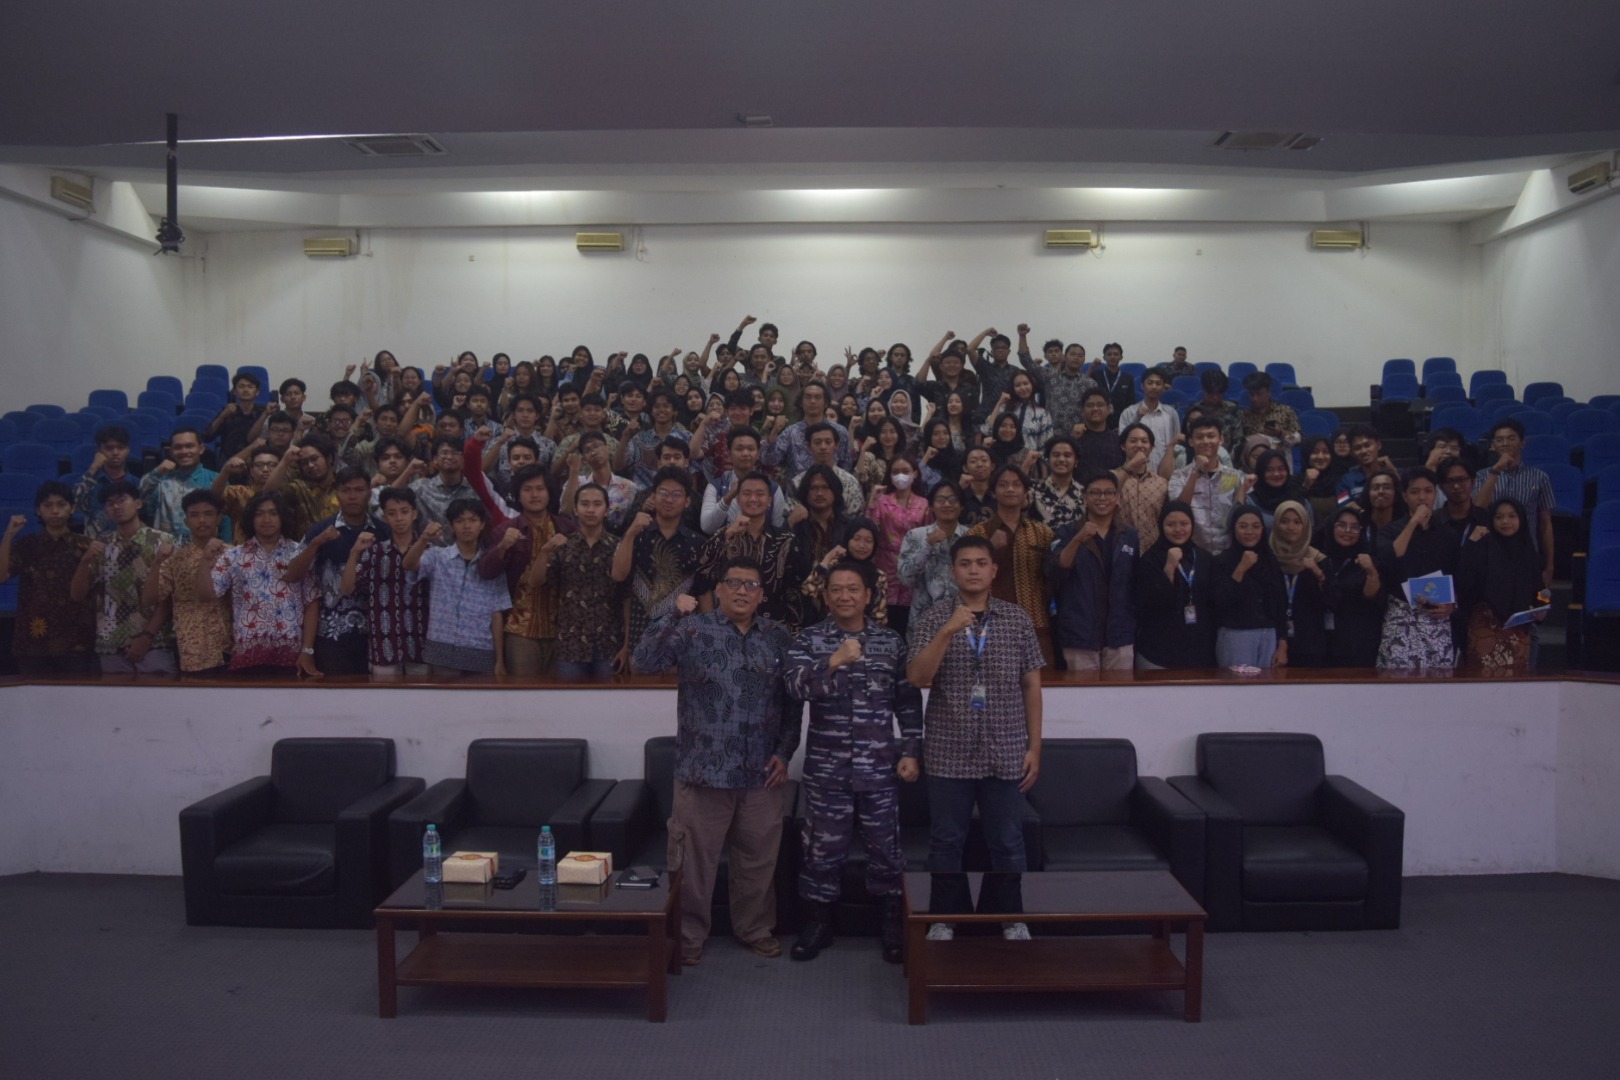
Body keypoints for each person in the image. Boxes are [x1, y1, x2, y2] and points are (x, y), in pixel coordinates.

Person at [631, 557, 797, 966]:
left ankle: (754, 928)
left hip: (761, 773)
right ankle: (687, 937)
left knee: (758, 861)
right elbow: (643, 662)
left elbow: (793, 700)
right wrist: (670, 612)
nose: (742, 591)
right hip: (702, 772)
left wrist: (785, 751)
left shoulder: (778, 636)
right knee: (692, 864)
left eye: (751, 585)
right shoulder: (692, 629)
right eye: (734, 583)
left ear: (761, 594)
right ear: (718, 590)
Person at [783, 561, 923, 964]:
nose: (844, 596)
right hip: (828, 772)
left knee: (886, 851)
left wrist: (911, 751)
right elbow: (792, 688)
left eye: (852, 589)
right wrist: (833, 661)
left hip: (879, 770)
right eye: (836, 590)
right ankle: (817, 925)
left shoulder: (890, 642)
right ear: (825, 596)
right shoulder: (810, 640)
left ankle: (891, 925)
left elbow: (907, 703)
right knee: (821, 852)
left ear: (867, 595)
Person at [906, 535, 1044, 941]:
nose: (973, 570)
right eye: (964, 563)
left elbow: (1032, 686)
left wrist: (1035, 747)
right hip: (949, 750)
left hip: (1006, 749)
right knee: (946, 840)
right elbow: (918, 678)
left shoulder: (1016, 619)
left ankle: (1009, 917)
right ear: (953, 571)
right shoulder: (933, 618)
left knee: (1007, 840)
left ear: (993, 570)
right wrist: (948, 631)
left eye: (981, 563)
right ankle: (945, 919)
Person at [70, 482, 178, 674]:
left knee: (160, 701)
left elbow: (168, 598)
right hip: (111, 642)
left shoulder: (163, 542)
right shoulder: (100, 545)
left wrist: (147, 636)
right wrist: (85, 561)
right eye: (110, 503)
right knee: (115, 703)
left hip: (155, 642)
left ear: (138, 503)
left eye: (122, 500)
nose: (116, 507)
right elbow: (77, 595)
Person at [282, 466, 380, 677]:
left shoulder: (382, 530)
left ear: (369, 492)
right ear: (337, 493)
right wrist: (316, 543)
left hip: (376, 635)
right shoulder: (320, 530)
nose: (352, 496)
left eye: (359, 490)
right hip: (331, 636)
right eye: (346, 490)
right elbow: (292, 575)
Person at [205, 492, 312, 672]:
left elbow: (312, 602)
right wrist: (204, 562)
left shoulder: (300, 553)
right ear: (250, 519)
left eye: (273, 513)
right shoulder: (234, 555)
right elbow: (209, 594)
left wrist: (308, 650)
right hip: (248, 652)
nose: (266, 519)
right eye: (259, 514)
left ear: (283, 517)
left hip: (292, 651)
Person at [404, 499, 512, 675]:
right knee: (442, 702)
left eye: (473, 520)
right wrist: (424, 539)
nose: (467, 526)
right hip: (441, 650)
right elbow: (408, 564)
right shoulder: (438, 556)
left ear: (482, 524)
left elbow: (497, 613)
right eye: (460, 521)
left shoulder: (491, 563)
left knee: (480, 703)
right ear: (451, 526)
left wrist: (500, 660)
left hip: (480, 651)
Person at [0, 481, 96, 675]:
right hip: (33, 642)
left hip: (77, 640)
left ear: (72, 508)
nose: (54, 511)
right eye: (48, 505)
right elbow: (2, 577)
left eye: (61, 504)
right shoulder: (26, 545)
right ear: (38, 510)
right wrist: (8, 536)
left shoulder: (87, 546)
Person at [1048, 471, 1139, 671]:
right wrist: (1078, 539)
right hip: (1080, 634)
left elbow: (1135, 582)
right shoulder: (1067, 532)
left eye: (1109, 493)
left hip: (1119, 633)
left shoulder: (1129, 535)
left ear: (1117, 498)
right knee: (1083, 699)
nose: (1102, 498)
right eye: (1095, 493)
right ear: (1085, 497)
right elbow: (1055, 572)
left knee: (1120, 699)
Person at [612, 467, 705, 662]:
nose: (669, 499)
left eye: (676, 494)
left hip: (684, 642)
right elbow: (619, 576)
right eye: (663, 493)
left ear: (687, 501)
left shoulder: (698, 543)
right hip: (640, 640)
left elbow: (704, 596)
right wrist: (630, 533)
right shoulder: (637, 536)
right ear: (653, 496)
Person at [968, 465, 1056, 666]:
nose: (1010, 489)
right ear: (993, 491)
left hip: (1035, 623)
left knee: (1044, 687)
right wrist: (989, 548)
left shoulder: (1042, 533)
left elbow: (1054, 574)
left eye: (1017, 485)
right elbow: (965, 574)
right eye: (1003, 485)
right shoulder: (978, 533)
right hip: (989, 624)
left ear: (1026, 492)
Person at [536, 483, 623, 679]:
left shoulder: (618, 546)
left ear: (607, 510)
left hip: (608, 642)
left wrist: (626, 646)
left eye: (597, 504)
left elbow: (626, 596)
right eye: (585, 504)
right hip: (570, 643)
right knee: (568, 707)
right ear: (575, 509)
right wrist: (545, 551)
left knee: (610, 706)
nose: (591, 509)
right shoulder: (563, 545)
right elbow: (536, 582)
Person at [141, 490, 233, 675]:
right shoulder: (175, 558)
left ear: (219, 518)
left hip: (232, 645)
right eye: (195, 515)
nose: (202, 520)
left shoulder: (234, 554)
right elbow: (149, 600)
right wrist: (157, 563)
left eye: (208, 514)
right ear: (186, 521)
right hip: (193, 648)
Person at [1375, 468, 1458, 671]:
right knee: (1396, 684)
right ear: (1404, 495)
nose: (1422, 497)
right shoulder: (1391, 531)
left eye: (1428, 491)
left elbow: (1457, 576)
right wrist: (1413, 522)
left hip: (1436, 617)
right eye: (1415, 492)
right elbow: (1389, 560)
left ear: (1436, 493)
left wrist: (1452, 605)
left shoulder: (1448, 534)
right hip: (1401, 616)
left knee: (1439, 684)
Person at [342, 487, 430, 676]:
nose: (399, 518)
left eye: (404, 512)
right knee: (383, 704)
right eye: (392, 513)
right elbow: (347, 589)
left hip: (421, 643)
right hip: (384, 644)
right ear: (384, 517)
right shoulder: (375, 552)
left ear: (414, 514)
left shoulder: (430, 550)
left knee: (424, 704)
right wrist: (354, 552)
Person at [696, 473, 803, 628]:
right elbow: (702, 577)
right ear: (738, 500)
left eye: (760, 494)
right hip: (726, 626)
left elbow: (794, 590)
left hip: (772, 626)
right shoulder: (723, 536)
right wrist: (710, 625)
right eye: (747, 494)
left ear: (769, 501)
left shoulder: (786, 540)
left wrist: (792, 630)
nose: (753, 499)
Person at [1457, 498, 1546, 672]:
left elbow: (1540, 589)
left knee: (1516, 685)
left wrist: (1542, 606)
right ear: (1492, 520)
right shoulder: (1481, 547)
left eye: (1512, 516)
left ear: (1521, 519)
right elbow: (1463, 582)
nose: (1505, 522)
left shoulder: (1528, 551)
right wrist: (1471, 545)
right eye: (1499, 517)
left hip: (1518, 629)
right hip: (1484, 627)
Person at [1472, 418, 1556, 588]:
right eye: (1499, 440)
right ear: (1493, 445)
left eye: (1511, 439)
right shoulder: (1482, 476)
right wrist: (1496, 471)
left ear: (1522, 442)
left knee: (1530, 608)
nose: (1505, 443)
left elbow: (1545, 524)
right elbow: (1477, 508)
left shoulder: (1539, 477)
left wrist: (1549, 566)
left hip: (1528, 553)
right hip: (1491, 554)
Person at [1134, 501, 1216, 670]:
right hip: (1158, 652)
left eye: (1184, 523)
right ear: (1161, 526)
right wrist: (1169, 566)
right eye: (1171, 524)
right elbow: (1152, 603)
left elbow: (1213, 602)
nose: (1178, 529)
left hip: (1199, 651)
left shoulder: (1204, 558)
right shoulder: (1150, 559)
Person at [1209, 506, 1289, 669]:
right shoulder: (1222, 561)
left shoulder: (1269, 560)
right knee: (1237, 692)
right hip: (1236, 635)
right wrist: (1241, 568)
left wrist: (1283, 643)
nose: (1249, 531)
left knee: (1267, 693)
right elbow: (1221, 601)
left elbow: (1280, 603)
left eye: (1255, 526)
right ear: (1234, 528)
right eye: (1243, 526)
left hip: (1269, 635)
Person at [866, 456, 932, 635]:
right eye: (895, 472)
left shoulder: (924, 504)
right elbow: (871, 529)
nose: (900, 476)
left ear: (915, 474)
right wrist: (871, 503)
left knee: (909, 621)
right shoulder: (882, 501)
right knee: (884, 617)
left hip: (913, 567)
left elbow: (928, 535)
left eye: (905, 471)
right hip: (885, 565)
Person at [1171, 416, 1252, 555]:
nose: (1206, 441)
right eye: (1200, 437)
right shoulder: (1179, 476)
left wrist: (1243, 490)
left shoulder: (1234, 476)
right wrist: (1196, 472)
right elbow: (1179, 512)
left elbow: (1238, 514)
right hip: (1193, 552)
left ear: (1221, 439)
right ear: (1191, 441)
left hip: (1228, 551)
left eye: (1211, 436)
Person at [1319, 505, 1385, 668]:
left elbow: (1372, 597)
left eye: (1354, 527)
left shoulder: (1367, 560)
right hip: (1323, 641)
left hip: (1357, 641)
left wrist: (1371, 572)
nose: (1348, 531)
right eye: (1341, 525)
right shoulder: (1319, 559)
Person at [898, 481, 970, 619]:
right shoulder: (915, 536)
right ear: (931, 506)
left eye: (953, 499)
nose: (947, 504)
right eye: (940, 500)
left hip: (964, 618)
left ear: (961, 506)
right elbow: (904, 579)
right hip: (924, 618)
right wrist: (927, 546)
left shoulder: (971, 536)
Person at [1270, 500, 1329, 667]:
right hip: (1271, 641)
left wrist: (1319, 574)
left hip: (1310, 644)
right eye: (1284, 521)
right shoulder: (1267, 559)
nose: (1291, 527)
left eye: (1297, 522)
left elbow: (1333, 599)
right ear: (1275, 524)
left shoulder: (1319, 559)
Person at [701, 427, 791, 534]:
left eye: (750, 449)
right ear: (729, 454)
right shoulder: (716, 486)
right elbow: (706, 527)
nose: (745, 453)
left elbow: (778, 529)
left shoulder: (773, 488)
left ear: (758, 454)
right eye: (739, 449)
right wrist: (728, 498)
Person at [138, 427, 222, 543]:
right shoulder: (162, 481)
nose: (184, 451)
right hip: (167, 550)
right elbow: (141, 498)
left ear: (201, 449)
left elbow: (225, 519)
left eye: (189, 446)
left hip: (206, 550)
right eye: (178, 447)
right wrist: (157, 472)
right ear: (171, 452)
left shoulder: (216, 479)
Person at [73, 425, 145, 534]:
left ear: (128, 450)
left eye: (121, 447)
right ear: (99, 451)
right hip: (96, 545)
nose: (115, 452)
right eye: (109, 448)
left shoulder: (137, 483)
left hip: (130, 544)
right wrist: (93, 468)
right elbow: (75, 505)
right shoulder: (91, 482)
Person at [409, 436, 479, 541]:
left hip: (470, 551)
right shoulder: (419, 488)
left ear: (463, 458)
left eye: (455, 453)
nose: (449, 457)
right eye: (444, 453)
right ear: (435, 459)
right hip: (430, 553)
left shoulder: (476, 488)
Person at [1114, 423, 1172, 548]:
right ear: (1123, 446)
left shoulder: (1161, 484)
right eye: (1133, 441)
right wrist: (1131, 465)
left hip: (1152, 550)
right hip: (1119, 548)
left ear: (1151, 447)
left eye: (1144, 441)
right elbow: (1110, 491)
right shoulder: (1111, 477)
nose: (1139, 445)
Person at [1116, 366, 1181, 472]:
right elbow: (1123, 442)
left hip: (1164, 471)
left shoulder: (1171, 413)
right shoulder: (1129, 412)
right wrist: (1137, 418)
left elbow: (1175, 445)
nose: (1154, 387)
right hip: (1134, 471)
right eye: (1150, 383)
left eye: (1158, 383)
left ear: (1164, 387)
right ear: (1142, 386)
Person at [1029, 435, 1084, 528]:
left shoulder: (1085, 493)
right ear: (1048, 459)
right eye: (1056, 455)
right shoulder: (1033, 489)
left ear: (1076, 462)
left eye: (1067, 455)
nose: (1061, 459)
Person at [208, 372, 266, 460]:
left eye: (250, 387)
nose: (246, 390)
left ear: (257, 392)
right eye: (241, 386)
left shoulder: (264, 412)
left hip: (257, 459)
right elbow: (207, 436)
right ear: (235, 391)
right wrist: (222, 416)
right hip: (229, 459)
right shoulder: (227, 411)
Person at [1247, 448, 1309, 530]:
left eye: (1281, 469)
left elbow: (1309, 531)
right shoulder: (1250, 502)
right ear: (1261, 472)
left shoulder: (1300, 500)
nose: (1276, 474)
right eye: (1269, 470)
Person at [1074, 389, 1126, 475]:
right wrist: (1073, 439)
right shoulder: (1075, 439)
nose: (1095, 409)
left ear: (1109, 409)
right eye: (1090, 405)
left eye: (1100, 405)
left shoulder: (1118, 441)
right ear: (1082, 411)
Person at [1240, 371, 1301, 446]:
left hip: (1280, 454)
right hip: (1253, 454)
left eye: (1259, 394)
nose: (1254, 398)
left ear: (1269, 392)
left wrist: (1281, 433)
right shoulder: (1243, 415)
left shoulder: (1285, 411)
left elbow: (1298, 439)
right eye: (1252, 394)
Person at [1088, 342, 1138, 426]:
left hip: (1121, 419)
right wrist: (1091, 368)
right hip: (1098, 417)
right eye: (1109, 354)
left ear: (1121, 357)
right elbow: (1084, 388)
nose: (1112, 357)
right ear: (1104, 357)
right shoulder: (1096, 375)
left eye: (1116, 354)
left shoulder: (1128, 378)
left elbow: (1131, 402)